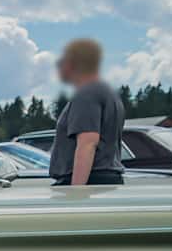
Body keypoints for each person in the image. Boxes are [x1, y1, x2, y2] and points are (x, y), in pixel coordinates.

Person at [47, 39, 124, 186]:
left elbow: (88, 144)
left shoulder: (86, 94)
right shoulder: (108, 93)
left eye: (62, 62)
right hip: (104, 180)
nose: (59, 68)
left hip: (90, 182)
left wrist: (77, 193)